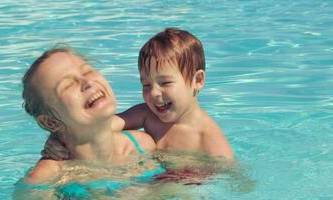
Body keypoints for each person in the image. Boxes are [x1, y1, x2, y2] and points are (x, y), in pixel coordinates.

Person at [44, 28, 233, 161]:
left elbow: (232, 180)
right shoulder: (146, 113)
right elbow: (99, 128)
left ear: (197, 81)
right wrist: (60, 138)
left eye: (165, 82)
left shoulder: (209, 140)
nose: (154, 93)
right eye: (146, 85)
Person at [15, 47, 163, 199]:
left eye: (87, 71)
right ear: (51, 122)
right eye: (67, 85)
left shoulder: (142, 145)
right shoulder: (46, 179)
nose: (87, 82)